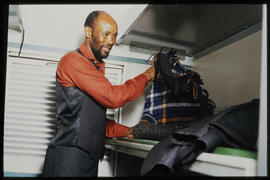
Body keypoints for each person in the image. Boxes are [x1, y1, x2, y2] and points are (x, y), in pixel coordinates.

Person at [42, 10, 154, 177]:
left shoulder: (93, 67)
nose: (112, 41)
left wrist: (128, 131)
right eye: (106, 34)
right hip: (69, 159)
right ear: (88, 32)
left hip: (85, 159)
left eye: (115, 35)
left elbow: (92, 122)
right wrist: (147, 75)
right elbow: (113, 97)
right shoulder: (73, 61)